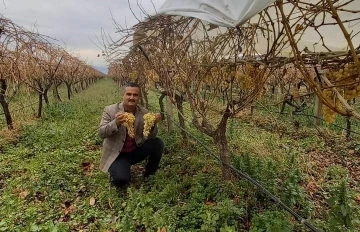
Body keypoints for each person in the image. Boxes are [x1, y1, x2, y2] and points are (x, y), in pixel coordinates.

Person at [98, 82, 164, 188]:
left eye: (135, 95)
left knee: (157, 143)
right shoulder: (110, 110)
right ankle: (117, 169)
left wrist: (152, 124)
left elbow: (151, 136)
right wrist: (116, 123)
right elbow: (101, 133)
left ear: (139, 97)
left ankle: (150, 173)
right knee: (121, 181)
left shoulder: (144, 113)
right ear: (123, 95)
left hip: (135, 150)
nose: (131, 97)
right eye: (128, 94)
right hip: (118, 154)